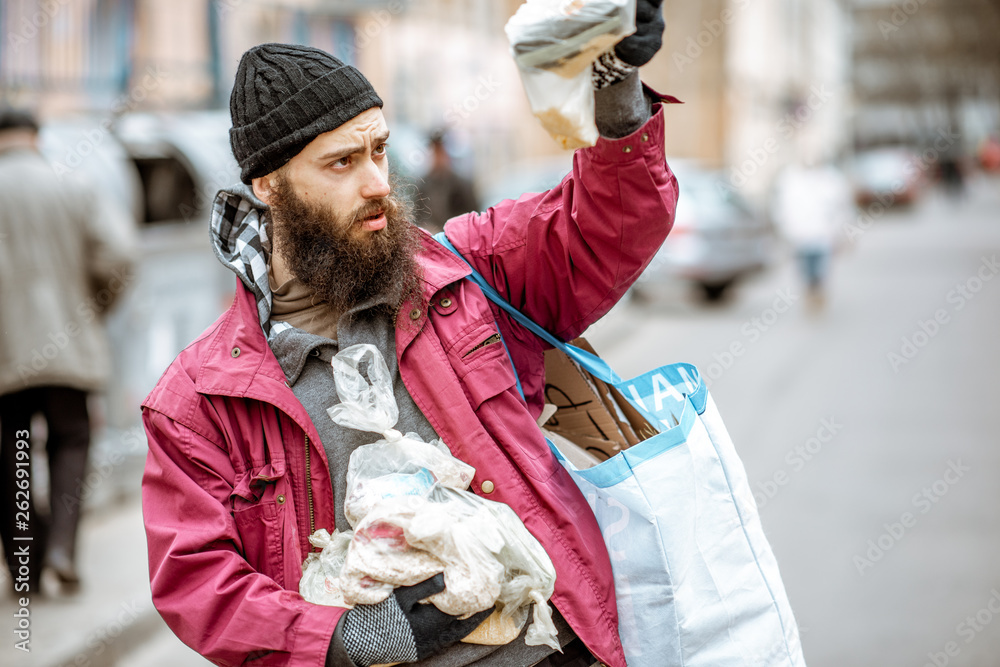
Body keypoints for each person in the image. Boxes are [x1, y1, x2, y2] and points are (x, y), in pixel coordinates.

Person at [141, 3, 677, 665]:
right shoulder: (199, 399)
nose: (378, 183)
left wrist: (613, 88)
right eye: (341, 163)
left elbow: (610, 220)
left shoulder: (469, 273)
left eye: (379, 149)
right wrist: (343, 638)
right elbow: (195, 582)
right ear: (270, 186)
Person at [0, 108, 136, 593]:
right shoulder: (73, 185)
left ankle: (25, 565)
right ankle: (61, 547)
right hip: (68, 347)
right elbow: (119, 254)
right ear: (36, 136)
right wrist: (94, 309)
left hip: (6, 356)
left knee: (12, 451)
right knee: (72, 441)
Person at [772, 157, 854, 309]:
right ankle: (811, 292)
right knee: (806, 268)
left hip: (822, 235)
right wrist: (784, 230)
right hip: (800, 236)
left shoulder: (830, 179)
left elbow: (841, 206)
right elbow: (782, 208)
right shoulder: (791, 178)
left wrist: (844, 233)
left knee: (820, 268)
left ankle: (817, 292)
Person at [413, 129, 478, 234]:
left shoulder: (462, 184)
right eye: (434, 151)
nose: (438, 156)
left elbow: (472, 217)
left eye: (440, 151)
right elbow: (418, 216)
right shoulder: (423, 184)